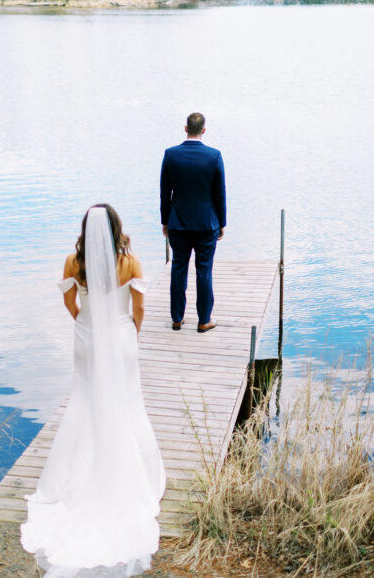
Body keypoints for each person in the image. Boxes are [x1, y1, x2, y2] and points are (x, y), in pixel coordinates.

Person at [21, 204, 166, 577]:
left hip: (87, 337)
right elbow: (139, 306)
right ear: (117, 228)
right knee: (128, 403)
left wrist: (85, 323)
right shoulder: (130, 262)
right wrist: (129, 330)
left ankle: (73, 474)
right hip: (120, 338)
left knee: (84, 401)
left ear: (86, 230)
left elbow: (69, 303)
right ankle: (131, 472)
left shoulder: (73, 261)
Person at [159, 112, 226, 333]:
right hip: (207, 223)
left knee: (178, 268)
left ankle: (177, 319)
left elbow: (164, 193)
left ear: (185, 129)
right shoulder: (214, 156)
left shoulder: (170, 155)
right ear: (203, 130)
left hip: (178, 223)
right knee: (204, 271)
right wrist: (222, 222)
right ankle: (203, 320)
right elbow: (220, 194)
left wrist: (165, 221)